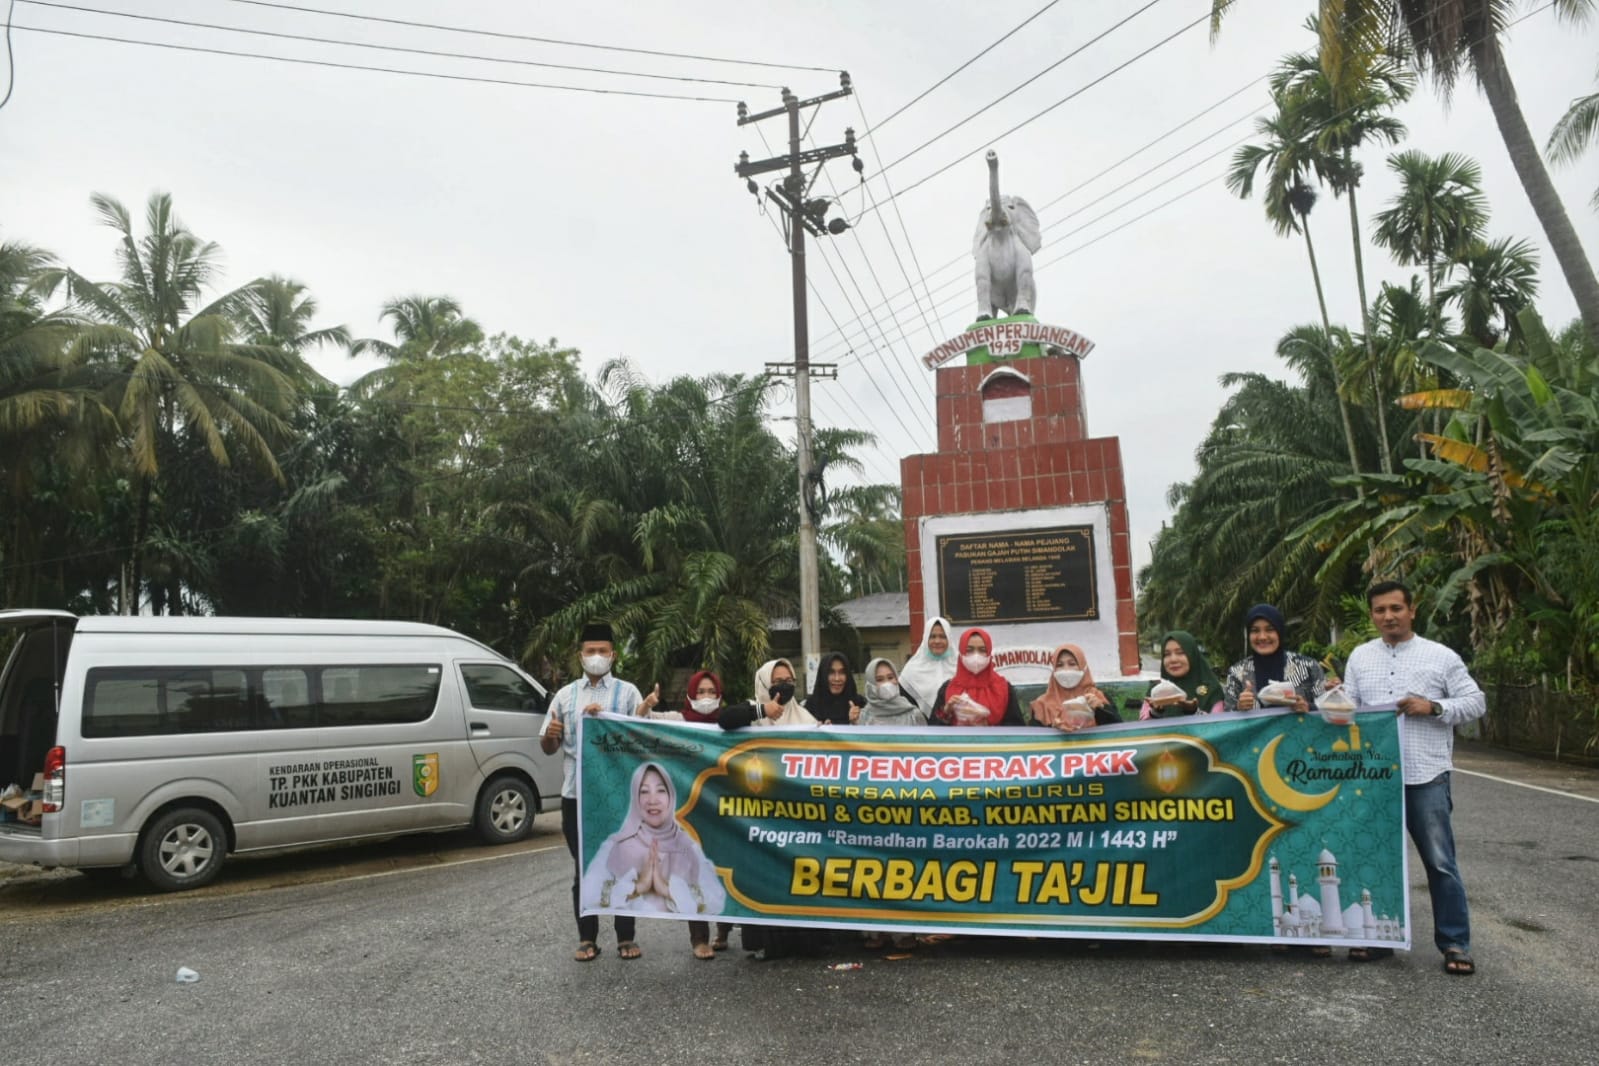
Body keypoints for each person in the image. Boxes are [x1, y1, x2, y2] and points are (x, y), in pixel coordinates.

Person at [1341, 580, 1485, 976]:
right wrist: (1332, 706)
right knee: (1376, 859)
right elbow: (1349, 707)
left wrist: (1433, 706)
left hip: (1425, 774)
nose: (1388, 617)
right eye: (1380, 611)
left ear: (1412, 610)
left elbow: (1475, 701)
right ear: (1372, 615)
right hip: (1373, 777)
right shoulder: (1359, 657)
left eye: (1395, 609)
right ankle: (1379, 940)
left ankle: (1455, 942)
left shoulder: (1440, 657)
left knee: (1440, 862)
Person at [539, 620, 659, 962]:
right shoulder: (564, 696)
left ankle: (625, 936)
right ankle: (587, 937)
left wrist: (605, 717)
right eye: (590, 651)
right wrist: (551, 733)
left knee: (624, 863)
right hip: (575, 795)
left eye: (602, 651)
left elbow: (641, 740)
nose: (596, 657)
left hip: (619, 797)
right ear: (580, 656)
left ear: (613, 655)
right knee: (584, 866)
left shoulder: (628, 693)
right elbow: (549, 746)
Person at [579, 761, 726, 952]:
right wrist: (638, 886)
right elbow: (590, 893)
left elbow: (716, 898)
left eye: (660, 790)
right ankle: (618, 939)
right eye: (644, 791)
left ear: (671, 796)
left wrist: (667, 889)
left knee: (691, 872)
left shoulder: (687, 844)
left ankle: (700, 940)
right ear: (635, 797)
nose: (652, 799)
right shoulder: (616, 845)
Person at [677, 670, 736, 955]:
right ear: (690, 693)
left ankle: (722, 931)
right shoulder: (678, 722)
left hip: (725, 809)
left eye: (712, 691)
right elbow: (642, 720)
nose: (706, 697)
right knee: (694, 870)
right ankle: (698, 938)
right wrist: (645, 705)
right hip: (692, 808)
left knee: (723, 870)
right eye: (700, 691)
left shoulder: (732, 724)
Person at [1221, 604, 1327, 713]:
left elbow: (1328, 710)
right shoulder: (1237, 672)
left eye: (1270, 629)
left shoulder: (1308, 667)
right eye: (1255, 630)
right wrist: (1239, 707)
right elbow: (1226, 720)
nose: (1262, 637)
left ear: (1279, 632)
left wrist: (1308, 707)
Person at [928, 628, 1023, 726]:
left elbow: (1018, 729)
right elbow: (933, 731)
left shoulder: (1004, 689)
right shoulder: (948, 688)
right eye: (969, 650)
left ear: (989, 653)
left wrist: (987, 726)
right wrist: (946, 712)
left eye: (982, 650)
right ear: (961, 653)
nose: (976, 655)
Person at [1030, 643, 1118, 730]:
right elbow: (1033, 739)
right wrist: (1054, 731)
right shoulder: (1042, 705)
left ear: (1083, 667)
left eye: (1072, 664)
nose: (1066, 670)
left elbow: (1119, 732)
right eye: (1059, 665)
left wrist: (1101, 709)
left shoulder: (1098, 698)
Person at [1140, 631, 1224, 718]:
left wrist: (1194, 712)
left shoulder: (1212, 689)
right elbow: (1142, 727)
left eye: (1180, 653)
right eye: (1167, 654)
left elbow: (1217, 726)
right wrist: (1155, 712)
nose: (1173, 659)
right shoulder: (1156, 688)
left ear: (1192, 655)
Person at [718, 659, 817, 729]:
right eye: (778, 681)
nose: (784, 685)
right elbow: (724, 719)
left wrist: (824, 731)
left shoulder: (804, 717)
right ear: (764, 684)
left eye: (789, 680)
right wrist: (762, 710)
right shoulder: (752, 710)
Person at [898, 615, 957, 709]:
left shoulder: (959, 666)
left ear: (949, 639)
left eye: (942, 636)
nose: (937, 641)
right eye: (932, 636)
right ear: (925, 639)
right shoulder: (912, 669)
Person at [849, 658, 926, 727]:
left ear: (896, 679)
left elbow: (924, 740)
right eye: (879, 679)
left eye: (890, 677)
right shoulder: (863, 717)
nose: (887, 683)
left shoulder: (913, 714)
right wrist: (855, 724)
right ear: (871, 686)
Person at [806, 651, 863, 726]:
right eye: (831, 672)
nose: (837, 678)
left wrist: (856, 723)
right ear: (823, 674)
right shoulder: (810, 707)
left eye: (842, 672)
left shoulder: (860, 704)